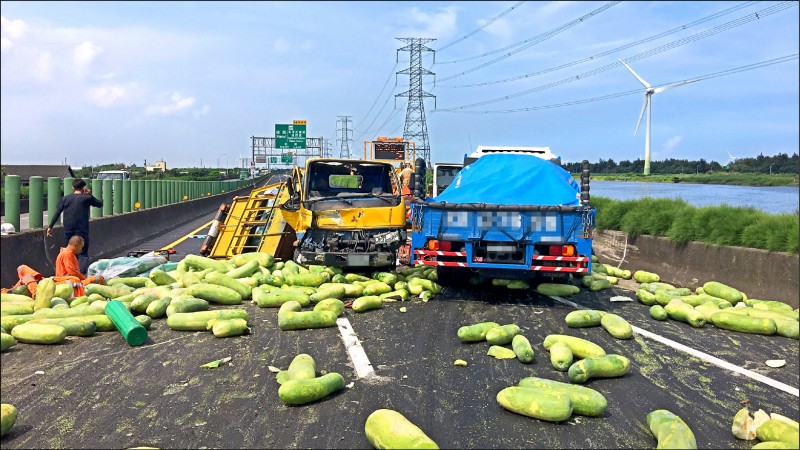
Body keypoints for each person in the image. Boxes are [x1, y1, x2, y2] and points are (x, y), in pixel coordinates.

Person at [46, 178, 102, 275]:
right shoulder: (87, 198)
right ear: (83, 187)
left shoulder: (66, 198)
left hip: (68, 230)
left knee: (71, 252)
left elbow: (57, 212)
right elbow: (100, 204)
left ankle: (71, 274)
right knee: (83, 254)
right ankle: (80, 276)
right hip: (82, 230)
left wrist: (50, 227)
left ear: (72, 187)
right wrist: (89, 194)